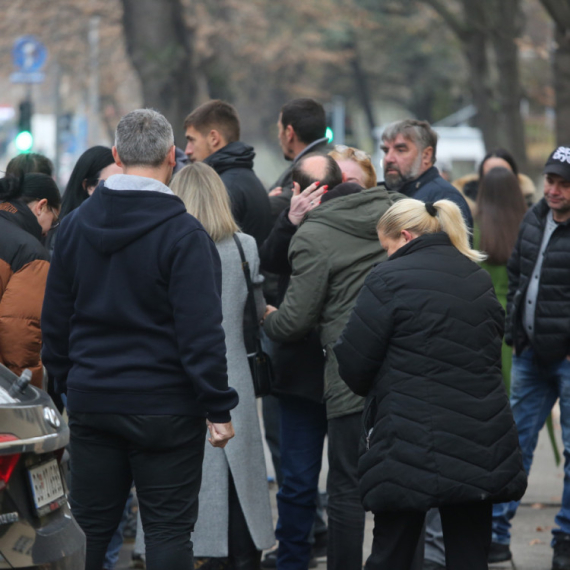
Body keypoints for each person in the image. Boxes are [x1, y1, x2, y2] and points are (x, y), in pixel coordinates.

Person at [41, 109, 239, 570]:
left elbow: (56, 321)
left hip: (94, 398)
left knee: (88, 527)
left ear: (116, 155)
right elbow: (201, 331)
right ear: (173, 157)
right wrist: (218, 407)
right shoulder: (185, 234)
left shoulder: (72, 228)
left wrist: (70, 384)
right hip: (167, 406)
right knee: (169, 531)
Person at [334, 198, 527, 570]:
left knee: (393, 551)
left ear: (405, 236)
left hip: (408, 440)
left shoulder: (386, 278)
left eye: (387, 248)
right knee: (470, 555)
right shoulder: (476, 277)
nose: (387, 256)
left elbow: (354, 363)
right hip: (477, 439)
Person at [262, 153, 399, 570]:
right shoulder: (393, 214)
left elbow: (292, 318)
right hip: (383, 372)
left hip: (337, 374)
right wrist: (287, 223)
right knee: (384, 482)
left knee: (333, 486)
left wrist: (268, 317)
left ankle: (297, 560)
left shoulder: (316, 234)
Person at [170, 162, 274, 569]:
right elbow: (258, 308)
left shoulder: (167, 244)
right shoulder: (244, 246)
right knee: (241, 482)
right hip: (234, 377)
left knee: (183, 481)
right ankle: (242, 557)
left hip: (179, 377)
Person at [490, 147, 570, 570]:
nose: (554, 190)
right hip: (529, 354)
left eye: (563, 183)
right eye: (550, 180)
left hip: (567, 360)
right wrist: (514, 334)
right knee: (512, 445)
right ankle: (496, 536)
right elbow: (519, 278)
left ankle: (565, 539)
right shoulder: (535, 218)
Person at [184, 99, 271, 247]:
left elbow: (209, 250)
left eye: (192, 140)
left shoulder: (223, 188)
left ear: (214, 138)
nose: (187, 151)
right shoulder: (243, 177)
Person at [0, 173, 60, 388]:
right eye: (53, 221)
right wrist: (30, 395)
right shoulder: (30, 252)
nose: (46, 233)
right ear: (41, 206)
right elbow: (19, 337)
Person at [475, 167, 527, 393]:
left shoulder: (475, 230)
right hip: (521, 317)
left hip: (484, 317)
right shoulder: (528, 227)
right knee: (525, 393)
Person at [380, 119, 473, 230]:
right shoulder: (384, 195)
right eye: (386, 151)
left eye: (400, 150)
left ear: (426, 155)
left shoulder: (444, 198)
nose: (388, 158)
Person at [46, 146, 122, 253]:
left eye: (125, 181)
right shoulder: (65, 232)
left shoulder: (124, 226)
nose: (122, 188)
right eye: (114, 182)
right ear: (89, 186)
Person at [269, 98, 330, 221]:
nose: (278, 136)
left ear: (289, 133)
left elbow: (280, 207)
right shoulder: (332, 158)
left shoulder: (309, 168)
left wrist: (265, 201)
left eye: (280, 129)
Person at [453, 148, 536, 212]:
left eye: (502, 171)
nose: (496, 177)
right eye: (491, 172)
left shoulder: (528, 208)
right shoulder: (465, 206)